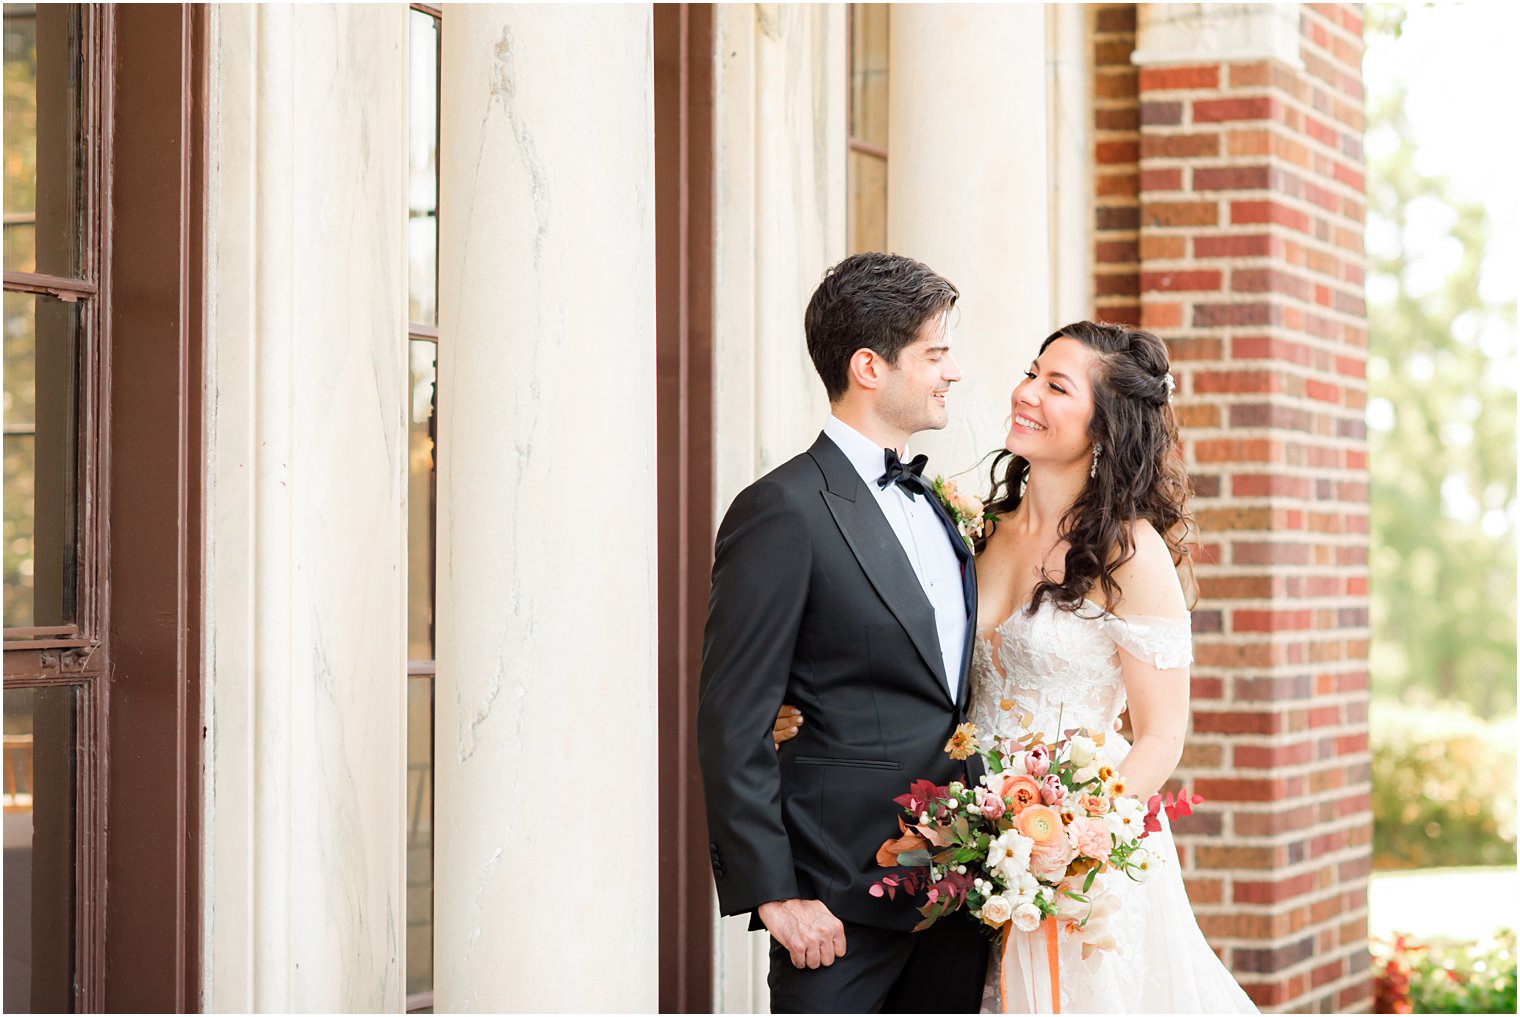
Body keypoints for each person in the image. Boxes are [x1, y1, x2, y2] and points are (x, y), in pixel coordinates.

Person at [775, 322, 1259, 1013]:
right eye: (1031, 372)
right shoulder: (973, 526)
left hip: (1071, 862)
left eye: (1056, 385)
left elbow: (1160, 736)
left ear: (1107, 424)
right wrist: (794, 700)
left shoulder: (1130, 551)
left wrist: (1067, 839)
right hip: (958, 840)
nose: (1024, 393)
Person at [697, 252, 989, 1014]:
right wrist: (775, 894)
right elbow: (734, 719)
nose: (952, 371)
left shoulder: (936, 503)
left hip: (956, 898)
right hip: (835, 908)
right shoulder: (782, 509)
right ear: (869, 366)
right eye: (935, 352)